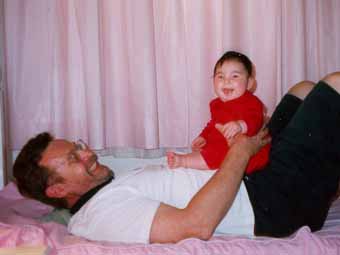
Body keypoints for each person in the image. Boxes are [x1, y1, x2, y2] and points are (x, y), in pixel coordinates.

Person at [13, 71, 340, 244]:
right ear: (56, 190)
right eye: (73, 158)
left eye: (79, 145)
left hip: (255, 175)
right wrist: (239, 153)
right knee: (335, 85)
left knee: (304, 88)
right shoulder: (99, 215)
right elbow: (195, 225)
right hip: (272, 203)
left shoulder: (107, 191)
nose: (87, 153)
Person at [167, 51, 270, 174]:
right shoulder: (215, 104)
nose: (226, 81)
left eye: (235, 76)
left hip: (247, 153)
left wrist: (240, 125)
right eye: (220, 76)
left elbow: (256, 119)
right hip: (224, 144)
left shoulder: (252, 102)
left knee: (216, 154)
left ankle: (183, 161)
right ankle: (195, 158)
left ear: (249, 83)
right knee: (208, 149)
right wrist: (203, 136)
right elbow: (213, 123)